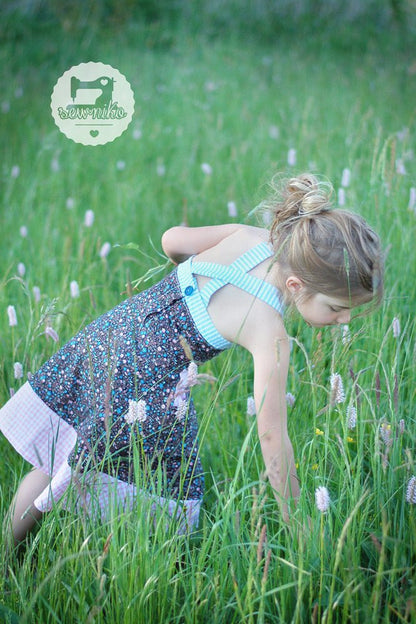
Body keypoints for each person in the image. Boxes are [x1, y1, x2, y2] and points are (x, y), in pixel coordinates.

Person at [0, 173, 383, 545]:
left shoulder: (250, 237)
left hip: (114, 335)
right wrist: (296, 521)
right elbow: (272, 435)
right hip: (147, 383)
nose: (344, 319)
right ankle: (144, 564)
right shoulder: (271, 333)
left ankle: (8, 549)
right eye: (337, 307)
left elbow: (172, 240)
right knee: (170, 487)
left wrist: (190, 269)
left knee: (61, 452)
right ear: (297, 286)